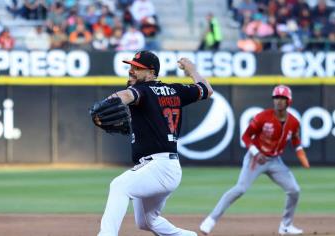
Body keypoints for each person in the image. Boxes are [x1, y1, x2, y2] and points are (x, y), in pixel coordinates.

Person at [96, 50, 213, 236]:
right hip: (163, 167)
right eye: (131, 66)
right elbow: (206, 90)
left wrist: (107, 102)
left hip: (159, 167)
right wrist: (192, 70)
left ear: (151, 73)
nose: (132, 70)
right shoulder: (176, 90)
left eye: (138, 68)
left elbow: (126, 96)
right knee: (147, 221)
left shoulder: (142, 90)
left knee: (119, 186)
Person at [200, 85, 310, 235]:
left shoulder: (294, 122)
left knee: (294, 190)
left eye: (282, 98)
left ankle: (285, 225)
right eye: (276, 98)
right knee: (240, 189)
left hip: (275, 160)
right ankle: (210, 220)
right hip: (255, 158)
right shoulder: (263, 117)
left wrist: (300, 153)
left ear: (288, 101)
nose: (278, 101)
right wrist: (256, 153)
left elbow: (296, 141)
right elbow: (245, 136)